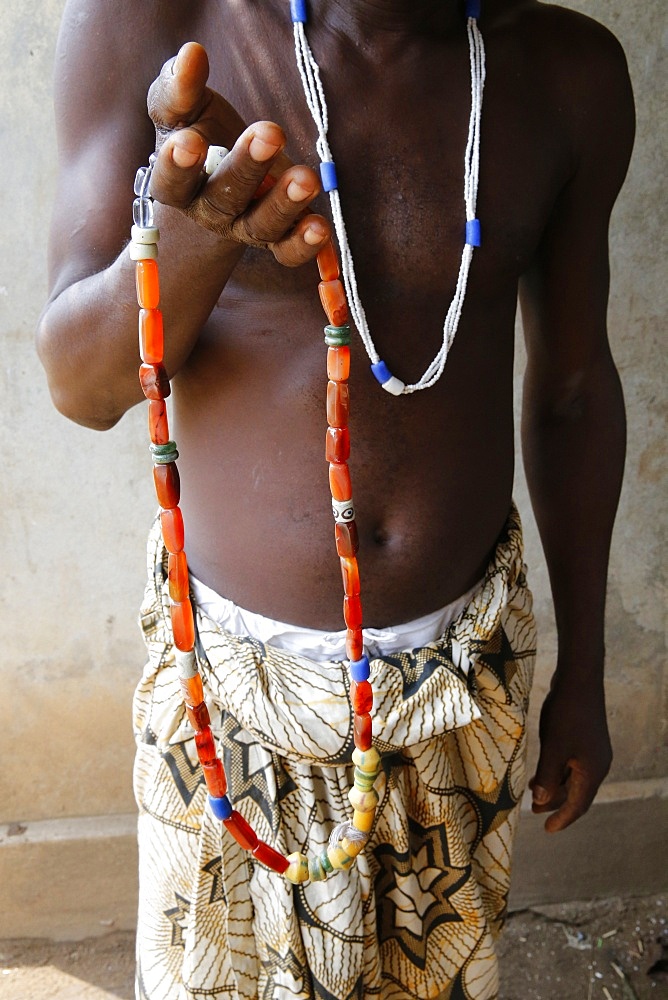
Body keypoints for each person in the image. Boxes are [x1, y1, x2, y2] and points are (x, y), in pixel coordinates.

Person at [37, 1, 634, 997]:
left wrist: (583, 672)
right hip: (226, 709)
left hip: (460, 688)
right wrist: (187, 238)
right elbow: (83, 384)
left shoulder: (563, 73)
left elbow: (572, 393)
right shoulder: (152, 27)